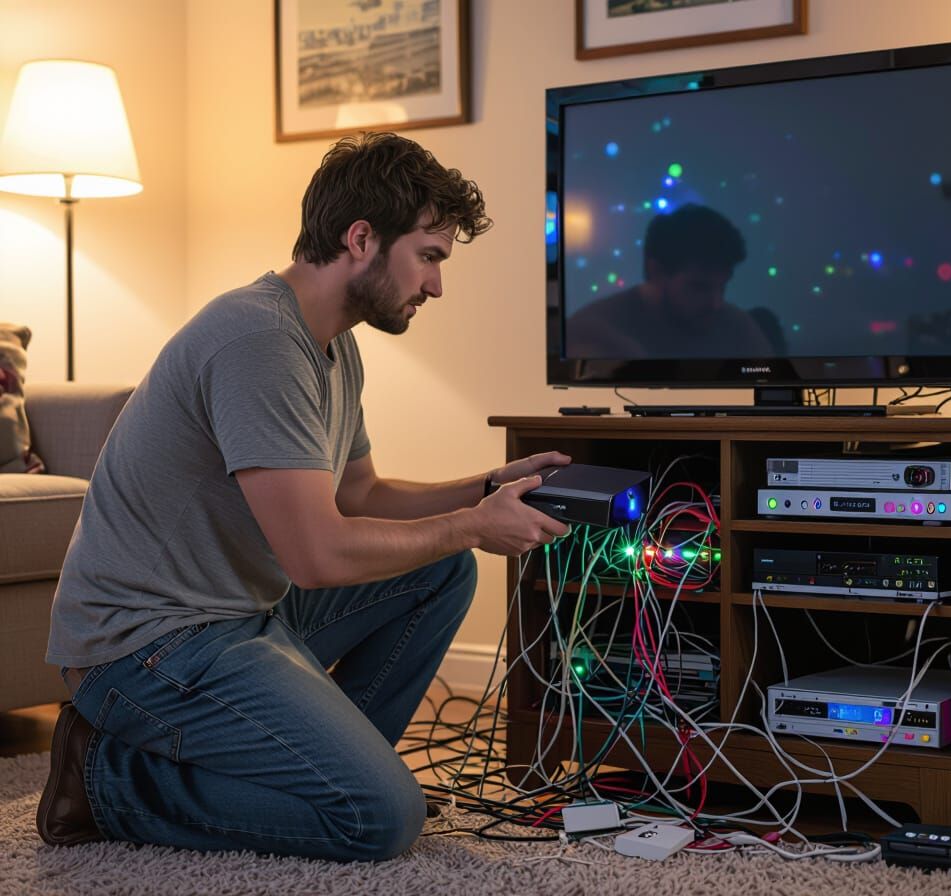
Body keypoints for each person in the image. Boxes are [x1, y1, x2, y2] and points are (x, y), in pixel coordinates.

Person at [37, 131, 571, 862]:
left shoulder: (332, 343)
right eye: (430, 257)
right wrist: (472, 524)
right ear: (361, 238)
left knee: (441, 570)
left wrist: (483, 490)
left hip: (231, 615)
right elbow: (318, 553)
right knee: (379, 820)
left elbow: (362, 492)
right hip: (142, 649)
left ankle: (329, 771)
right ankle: (102, 778)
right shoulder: (256, 339)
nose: (436, 286)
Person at [564, 203, 782, 358]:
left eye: (722, 288)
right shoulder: (592, 333)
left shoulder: (738, 328)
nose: (716, 303)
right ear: (656, 271)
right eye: (699, 287)